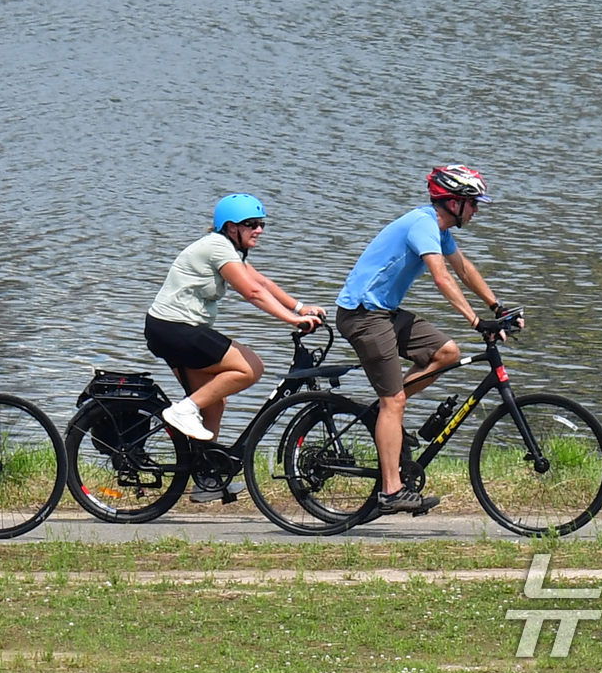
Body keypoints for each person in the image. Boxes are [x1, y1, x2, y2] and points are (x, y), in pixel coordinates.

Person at [334, 164, 517, 515]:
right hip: (362, 315)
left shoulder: (440, 229)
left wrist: (498, 307)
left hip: (383, 313)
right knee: (395, 402)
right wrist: (477, 321)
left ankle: (385, 413)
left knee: (447, 352)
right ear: (453, 202)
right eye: (473, 203)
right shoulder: (423, 225)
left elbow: (463, 269)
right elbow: (443, 277)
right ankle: (390, 491)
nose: (477, 210)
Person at [147, 194, 325, 502]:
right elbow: (253, 292)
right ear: (231, 228)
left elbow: (262, 282)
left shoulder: (230, 251)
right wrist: (294, 320)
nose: (259, 230)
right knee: (250, 367)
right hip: (175, 329)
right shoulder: (217, 247)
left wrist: (299, 306)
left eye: (261, 224)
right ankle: (182, 410)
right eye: (251, 225)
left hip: (173, 330)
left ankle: (207, 477)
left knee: (214, 403)